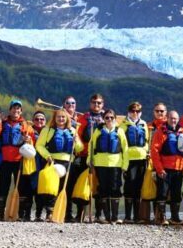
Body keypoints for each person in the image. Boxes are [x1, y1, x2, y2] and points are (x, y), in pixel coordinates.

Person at [0, 99, 34, 221]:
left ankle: (19, 214)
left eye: (18, 108)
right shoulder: (3, 123)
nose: (16, 110)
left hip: (19, 160)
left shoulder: (25, 125)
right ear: (10, 110)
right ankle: (1, 213)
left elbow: (32, 142)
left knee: (21, 187)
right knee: (2, 186)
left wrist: (28, 139)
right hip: (5, 160)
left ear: (21, 111)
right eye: (14, 108)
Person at [36, 109, 83, 221]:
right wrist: (47, 156)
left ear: (67, 119)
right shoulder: (47, 130)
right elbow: (39, 145)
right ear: (54, 118)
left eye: (63, 117)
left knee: (67, 188)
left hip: (68, 162)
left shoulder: (72, 130)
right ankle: (50, 212)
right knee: (53, 188)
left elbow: (80, 148)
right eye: (59, 117)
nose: (61, 119)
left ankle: (67, 214)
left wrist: (77, 141)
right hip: (53, 161)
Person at [88, 109, 129, 224]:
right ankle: (107, 217)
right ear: (104, 119)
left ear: (115, 119)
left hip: (116, 164)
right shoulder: (98, 130)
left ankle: (114, 217)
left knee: (115, 188)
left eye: (111, 117)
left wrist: (125, 165)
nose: (109, 119)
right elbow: (91, 147)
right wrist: (89, 160)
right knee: (103, 189)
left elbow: (125, 149)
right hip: (100, 163)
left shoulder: (119, 131)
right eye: (107, 117)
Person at [150, 110, 183, 225]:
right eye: (171, 118)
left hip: (178, 168)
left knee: (176, 193)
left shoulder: (182, 132)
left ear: (178, 119)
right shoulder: (161, 131)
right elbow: (154, 151)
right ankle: (161, 217)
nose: (173, 120)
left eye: (175, 118)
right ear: (167, 118)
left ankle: (175, 217)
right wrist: (159, 169)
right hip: (165, 168)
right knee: (162, 193)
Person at [73, 93, 106, 222]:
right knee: (83, 184)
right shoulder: (83, 118)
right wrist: (79, 150)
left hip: (100, 158)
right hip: (84, 156)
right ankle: (80, 213)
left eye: (99, 103)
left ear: (102, 104)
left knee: (99, 186)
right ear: (90, 103)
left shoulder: (106, 117)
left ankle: (99, 214)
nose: (96, 105)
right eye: (94, 102)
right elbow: (78, 136)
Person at [119, 101, 149, 223]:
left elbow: (146, 140)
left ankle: (137, 216)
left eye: (137, 111)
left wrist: (146, 151)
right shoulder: (123, 125)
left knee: (138, 186)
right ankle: (127, 216)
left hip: (141, 159)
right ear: (129, 112)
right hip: (129, 159)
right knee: (129, 186)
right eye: (132, 111)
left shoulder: (143, 124)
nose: (135, 113)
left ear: (140, 113)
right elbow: (120, 143)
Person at [27, 110, 47, 221]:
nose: (39, 121)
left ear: (45, 121)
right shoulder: (29, 131)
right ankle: (26, 214)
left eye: (42, 119)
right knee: (30, 187)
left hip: (44, 161)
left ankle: (39, 214)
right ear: (33, 121)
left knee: (40, 188)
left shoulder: (48, 131)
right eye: (37, 119)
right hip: (31, 161)